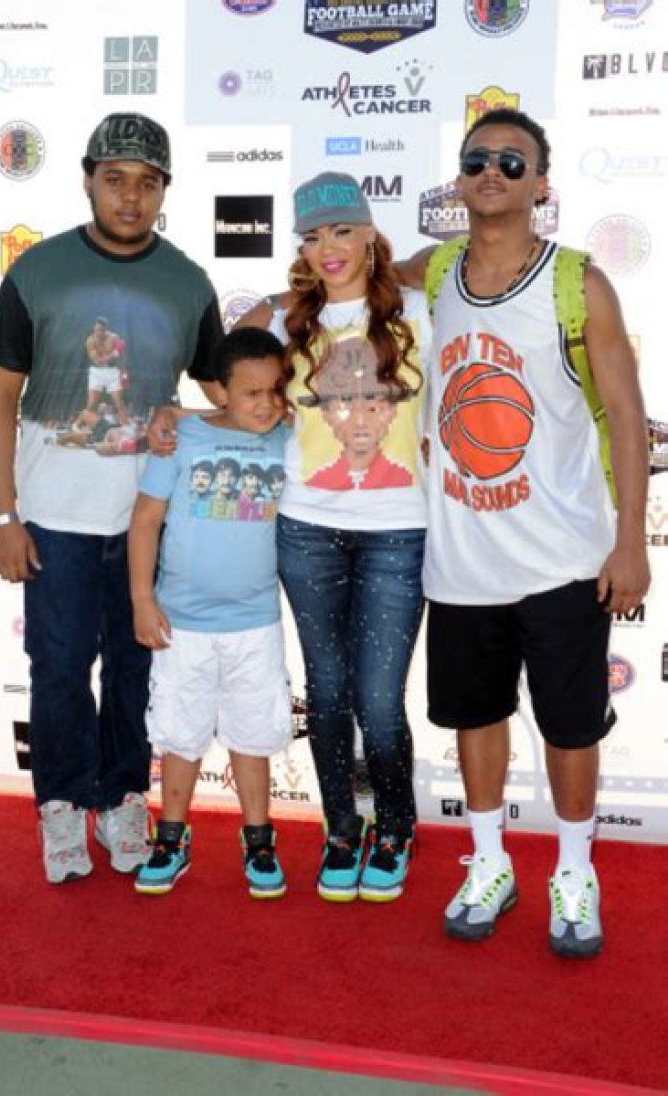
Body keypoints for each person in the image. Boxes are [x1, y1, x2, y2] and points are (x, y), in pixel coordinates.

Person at [398, 108, 649, 956]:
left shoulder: (578, 283)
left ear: (541, 184)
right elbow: (357, 273)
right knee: (476, 717)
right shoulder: (438, 271)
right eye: (478, 159)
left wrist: (630, 542)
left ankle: (574, 871)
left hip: (563, 557)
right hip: (462, 558)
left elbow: (626, 416)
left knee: (570, 726)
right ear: (459, 178)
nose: (492, 172)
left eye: (513, 162)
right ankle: (489, 862)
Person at [153, 172, 432, 903]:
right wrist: (180, 416)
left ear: (369, 233)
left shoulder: (419, 314)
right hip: (306, 529)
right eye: (312, 236)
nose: (327, 248)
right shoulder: (284, 321)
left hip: (399, 533)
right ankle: (342, 830)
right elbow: (233, 391)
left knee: (379, 700)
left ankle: (395, 828)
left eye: (341, 230)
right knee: (328, 692)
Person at [0, 111, 224, 885]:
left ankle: (121, 798)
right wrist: (4, 516)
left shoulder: (188, 282)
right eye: (114, 179)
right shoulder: (38, 272)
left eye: (147, 182)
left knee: (134, 670)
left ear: (165, 191)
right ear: (88, 179)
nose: (130, 196)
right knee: (57, 669)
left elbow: (227, 391)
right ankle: (60, 805)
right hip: (55, 519)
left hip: (150, 522)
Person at [129, 326, 292, 898]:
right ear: (220, 391)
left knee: (252, 736)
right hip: (182, 623)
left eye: (275, 390)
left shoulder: (288, 438)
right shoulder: (181, 439)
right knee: (180, 736)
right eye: (251, 392)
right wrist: (142, 600)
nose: (266, 403)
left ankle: (259, 839)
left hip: (256, 623)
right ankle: (171, 838)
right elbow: (145, 520)